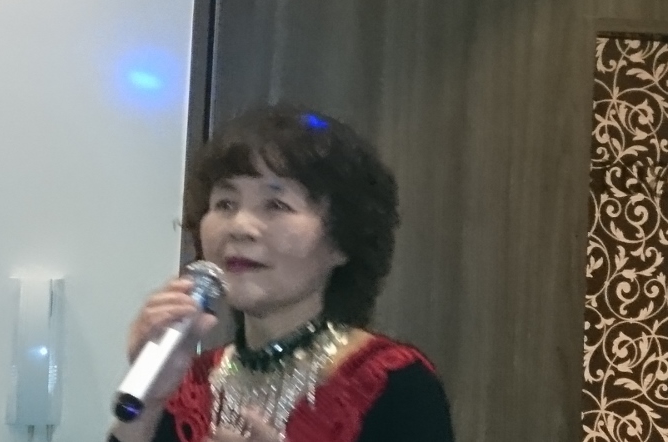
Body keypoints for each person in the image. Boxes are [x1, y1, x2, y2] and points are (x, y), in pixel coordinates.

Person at [108, 104, 455, 442]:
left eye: (276, 205)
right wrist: (149, 404)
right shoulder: (189, 384)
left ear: (341, 241)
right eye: (225, 204)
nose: (240, 227)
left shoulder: (393, 382)